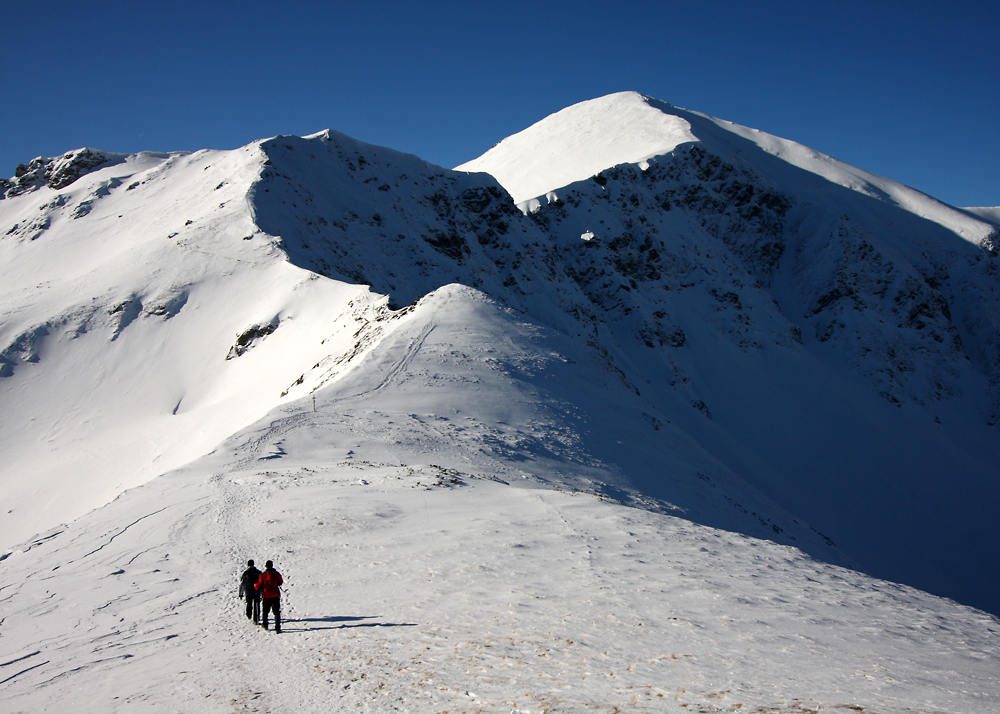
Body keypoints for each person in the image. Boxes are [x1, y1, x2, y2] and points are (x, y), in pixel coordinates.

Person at [255, 559, 284, 633]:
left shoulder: (263, 575)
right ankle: (277, 627)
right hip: (275, 595)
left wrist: (256, 586)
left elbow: (257, 586)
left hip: (266, 595)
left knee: (265, 611)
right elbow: (281, 581)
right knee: (276, 612)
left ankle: (265, 624)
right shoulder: (276, 574)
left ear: (266, 566)